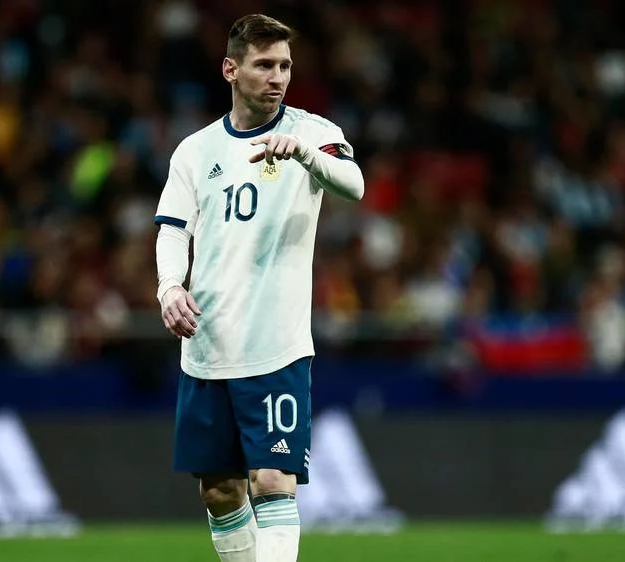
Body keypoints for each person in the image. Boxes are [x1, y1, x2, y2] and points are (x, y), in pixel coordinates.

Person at [153, 14, 365, 562]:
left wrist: (303, 155)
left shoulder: (314, 133)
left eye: (285, 66)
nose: (278, 77)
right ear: (231, 69)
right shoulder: (195, 150)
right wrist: (170, 287)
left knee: (272, 479)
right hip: (207, 344)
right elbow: (173, 230)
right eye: (265, 65)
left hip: (276, 345)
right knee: (220, 491)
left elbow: (354, 185)